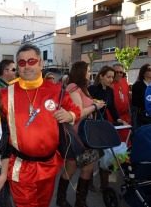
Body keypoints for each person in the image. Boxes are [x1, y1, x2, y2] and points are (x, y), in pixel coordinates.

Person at [0, 43, 81, 207]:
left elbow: (76, 110)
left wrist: (69, 115)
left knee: (43, 204)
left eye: (31, 61)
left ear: (40, 63)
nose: (27, 66)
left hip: (49, 165)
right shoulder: (5, 93)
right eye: (21, 63)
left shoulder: (56, 91)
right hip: (19, 167)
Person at [56, 61, 105, 207]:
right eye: (88, 71)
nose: (90, 73)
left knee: (88, 167)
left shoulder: (81, 88)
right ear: (81, 72)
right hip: (77, 136)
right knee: (70, 168)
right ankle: (62, 199)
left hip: (85, 134)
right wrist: (94, 106)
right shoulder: (73, 88)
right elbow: (77, 114)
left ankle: (80, 201)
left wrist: (92, 105)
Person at [88, 65, 127, 192]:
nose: (111, 80)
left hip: (104, 124)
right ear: (101, 76)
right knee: (92, 156)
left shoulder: (110, 91)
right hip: (93, 125)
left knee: (104, 154)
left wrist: (118, 119)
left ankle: (104, 186)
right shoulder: (92, 89)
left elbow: (112, 108)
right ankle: (88, 182)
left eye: (112, 77)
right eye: (108, 77)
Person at [108, 63, 132, 145]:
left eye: (121, 72)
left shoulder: (125, 82)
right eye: (116, 72)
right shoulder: (108, 83)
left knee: (126, 141)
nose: (118, 74)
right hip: (112, 117)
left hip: (125, 117)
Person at [132, 64, 151, 128]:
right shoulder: (137, 85)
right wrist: (148, 102)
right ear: (144, 73)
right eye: (149, 70)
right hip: (143, 116)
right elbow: (135, 101)